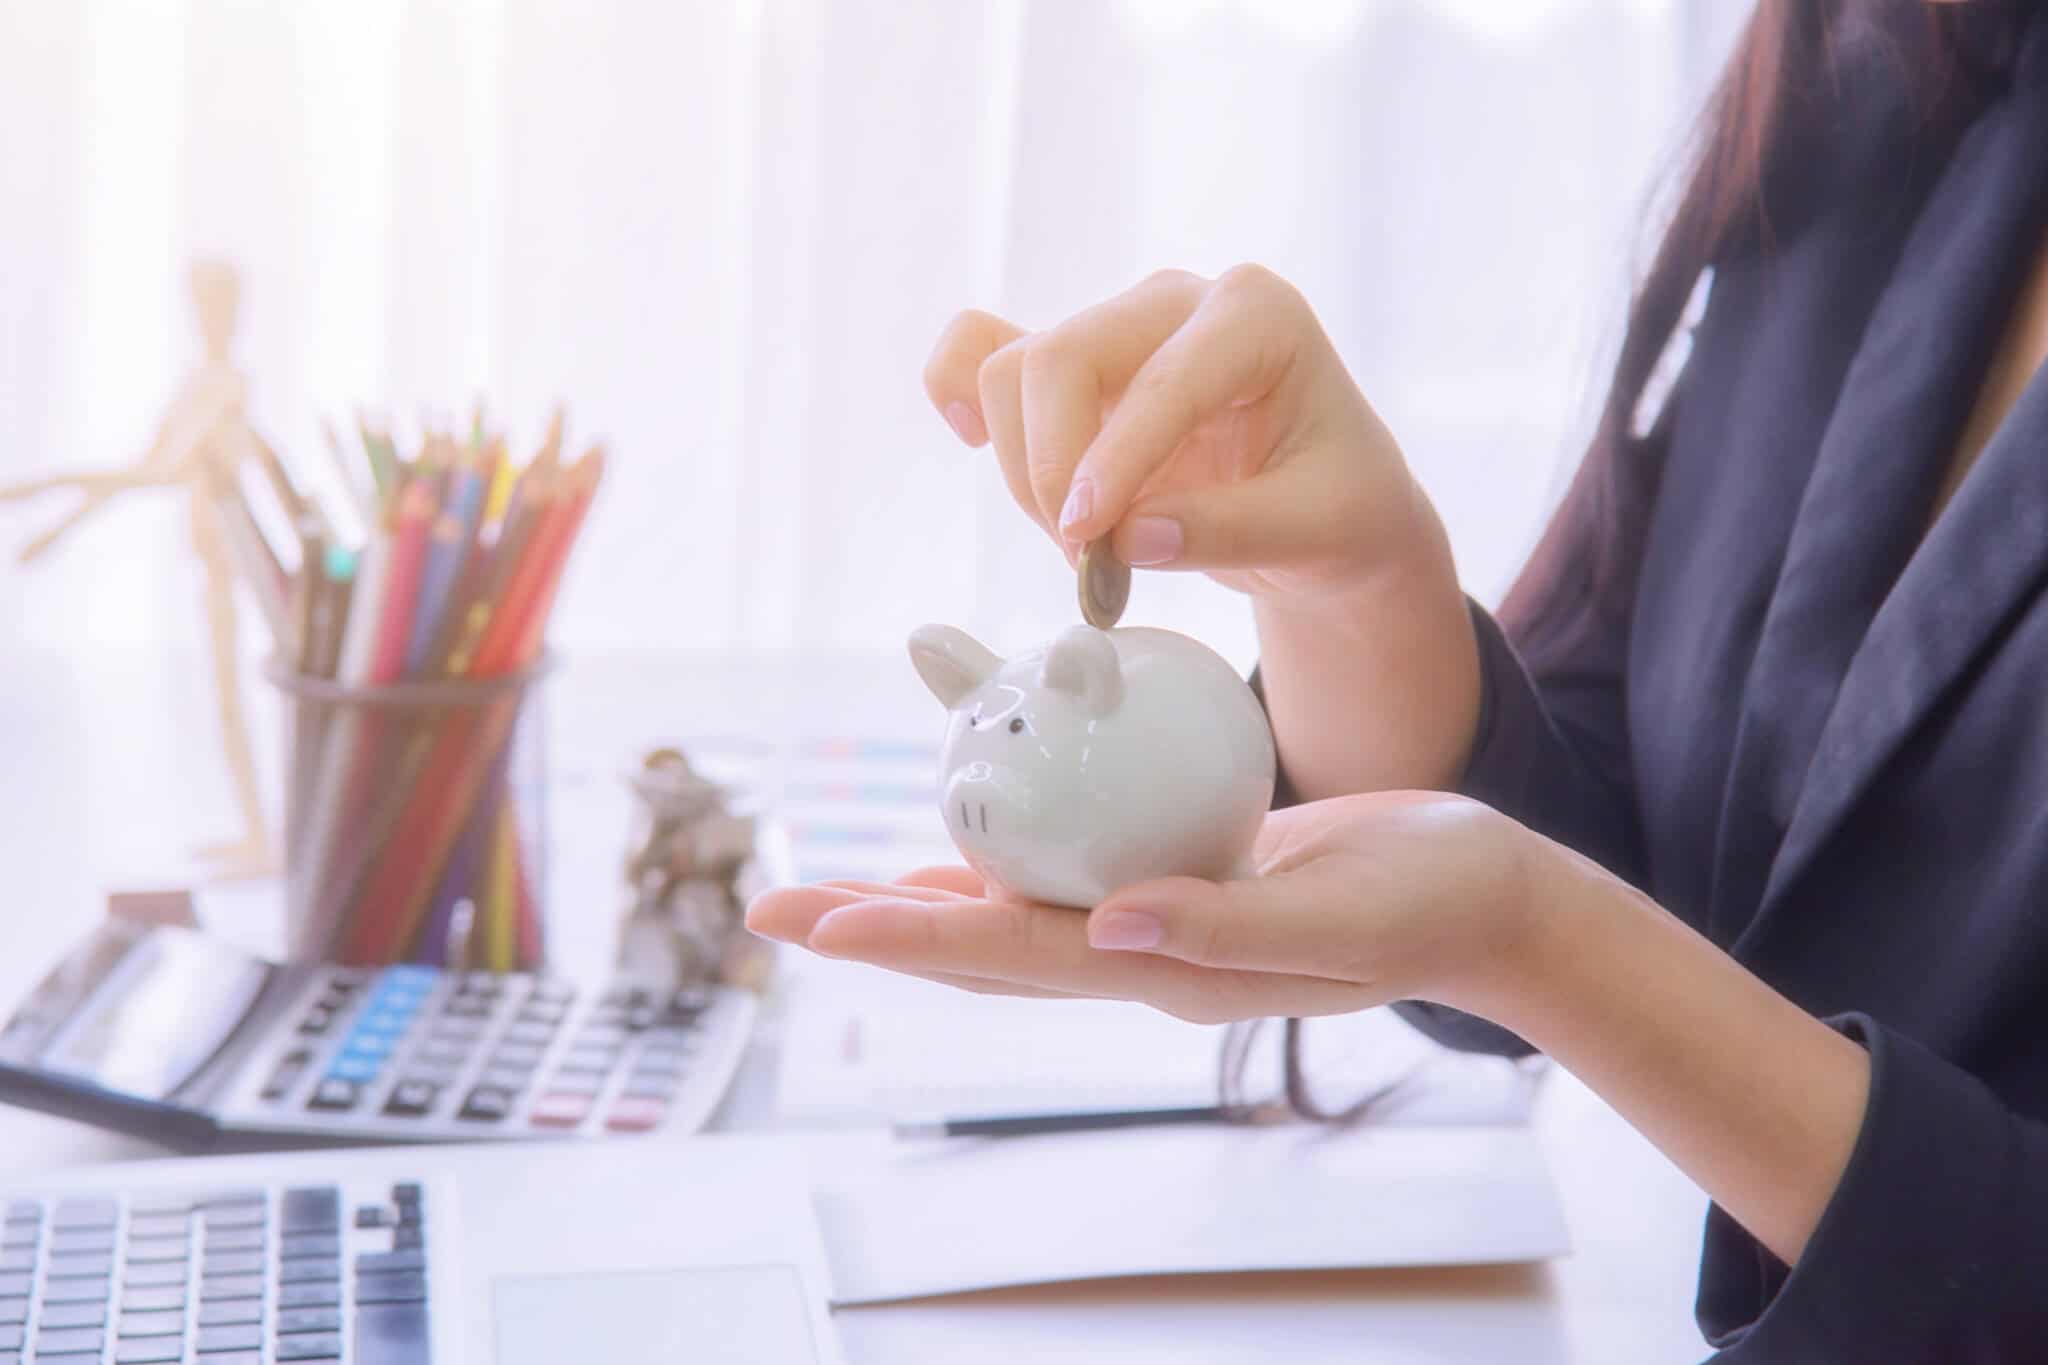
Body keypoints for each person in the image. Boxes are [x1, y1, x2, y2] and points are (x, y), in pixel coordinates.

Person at [748, 2, 2048, 1357]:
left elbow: (1590, 930)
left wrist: (1538, 945)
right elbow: (1662, 848)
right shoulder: (1912, 68)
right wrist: (1351, 594)